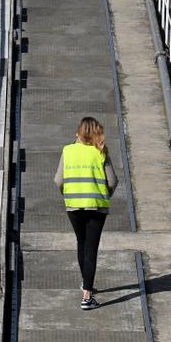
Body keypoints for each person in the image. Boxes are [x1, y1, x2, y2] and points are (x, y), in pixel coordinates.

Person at [54, 116, 118, 310]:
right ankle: (87, 296)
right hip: (96, 206)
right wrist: (105, 194)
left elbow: (58, 180)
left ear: (79, 132)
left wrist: (68, 193)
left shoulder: (68, 150)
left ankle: (85, 283)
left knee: (81, 243)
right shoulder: (100, 152)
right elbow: (113, 181)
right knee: (91, 248)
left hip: (73, 205)